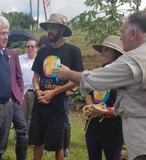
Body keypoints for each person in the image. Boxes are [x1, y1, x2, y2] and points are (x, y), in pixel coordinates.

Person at [56, 11, 146, 160]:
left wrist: (68, 73)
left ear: (133, 33)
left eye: (122, 32)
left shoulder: (135, 60)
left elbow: (92, 80)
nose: (121, 37)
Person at [29, 13, 83, 160]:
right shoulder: (42, 52)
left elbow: (77, 79)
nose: (49, 31)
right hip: (40, 103)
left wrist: (54, 92)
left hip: (59, 105)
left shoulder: (73, 51)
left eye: (53, 27)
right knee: (37, 142)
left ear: (62, 30)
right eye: (48, 27)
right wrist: (38, 90)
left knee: (59, 143)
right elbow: (36, 77)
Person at [85, 35, 123, 160]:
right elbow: (87, 92)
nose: (103, 53)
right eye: (102, 50)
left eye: (107, 50)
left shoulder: (123, 76)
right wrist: (91, 106)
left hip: (113, 129)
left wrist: (105, 111)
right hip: (93, 128)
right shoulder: (97, 73)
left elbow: (125, 104)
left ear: (116, 53)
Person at [0, 16, 13, 160]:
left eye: (7, 33)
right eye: (3, 33)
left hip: (6, 105)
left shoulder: (4, 54)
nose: (6, 37)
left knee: (2, 145)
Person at [19, 39, 38, 131]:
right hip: (22, 92)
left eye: (32, 46)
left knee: (31, 116)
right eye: (28, 46)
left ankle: (28, 138)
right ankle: (19, 139)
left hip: (35, 91)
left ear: (36, 48)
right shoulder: (20, 59)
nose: (30, 48)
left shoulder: (40, 60)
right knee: (20, 116)